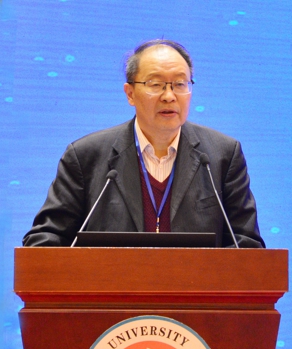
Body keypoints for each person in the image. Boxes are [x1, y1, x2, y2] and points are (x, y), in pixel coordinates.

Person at [22, 39, 264, 248]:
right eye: (155, 84)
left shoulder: (222, 155)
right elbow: (45, 239)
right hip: (112, 289)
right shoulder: (85, 157)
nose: (169, 96)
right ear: (130, 93)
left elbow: (247, 245)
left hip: (196, 289)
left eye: (180, 84)